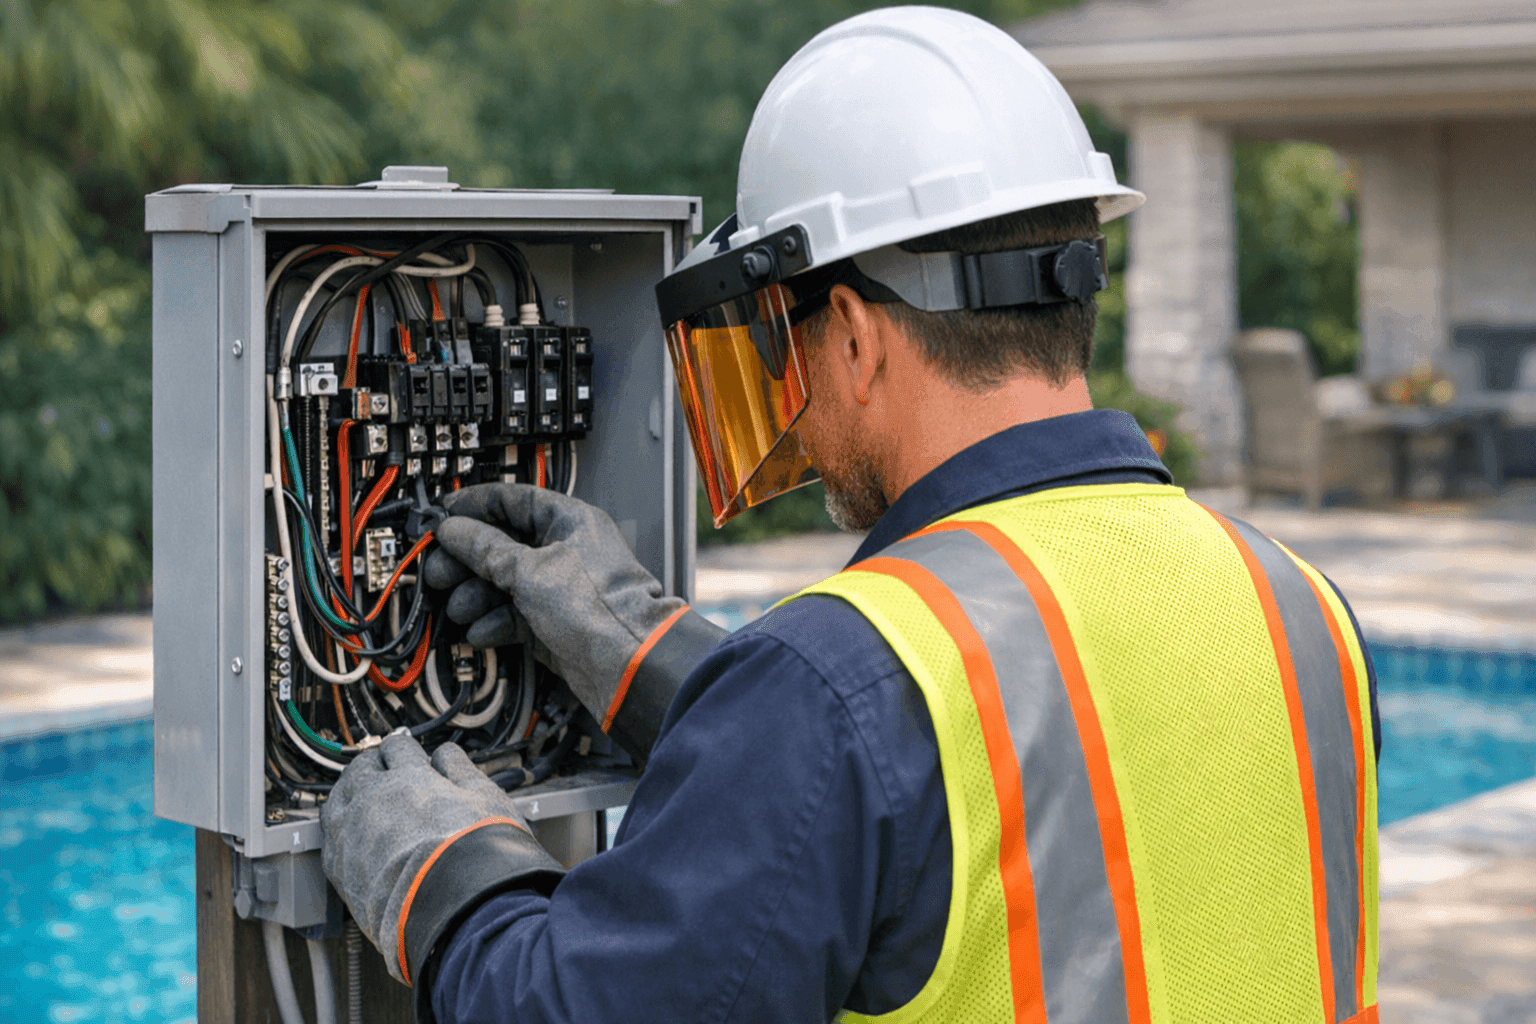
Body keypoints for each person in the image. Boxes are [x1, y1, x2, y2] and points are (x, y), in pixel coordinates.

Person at [321, 8, 1382, 1023]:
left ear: (859, 341)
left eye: (782, 341)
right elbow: (1001, 806)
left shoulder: (835, 683)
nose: (789, 388)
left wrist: (445, 875)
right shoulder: (1298, 605)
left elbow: (582, 1001)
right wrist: (652, 652)